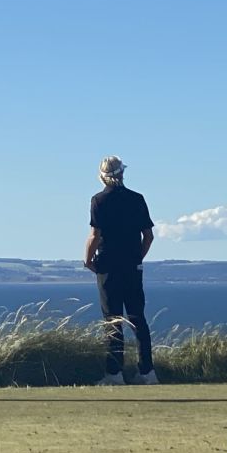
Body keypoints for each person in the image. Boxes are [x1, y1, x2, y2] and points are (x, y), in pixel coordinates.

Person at [84, 156, 157, 385]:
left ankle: (114, 373)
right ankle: (147, 372)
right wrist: (138, 257)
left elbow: (95, 236)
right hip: (132, 267)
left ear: (102, 175)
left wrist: (88, 260)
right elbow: (148, 236)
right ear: (122, 173)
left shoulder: (99, 201)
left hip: (108, 267)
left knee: (112, 321)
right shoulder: (137, 199)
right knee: (138, 318)